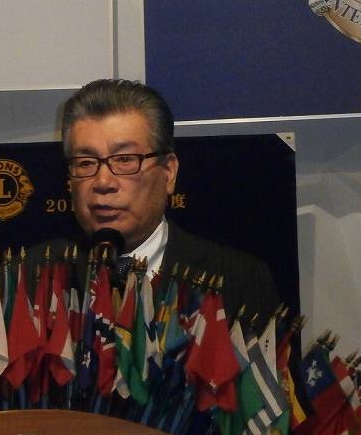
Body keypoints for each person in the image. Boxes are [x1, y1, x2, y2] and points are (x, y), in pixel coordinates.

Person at [29, 78, 280, 322]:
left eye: (125, 160)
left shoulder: (240, 281)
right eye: (85, 163)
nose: (103, 182)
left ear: (168, 172)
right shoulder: (29, 276)